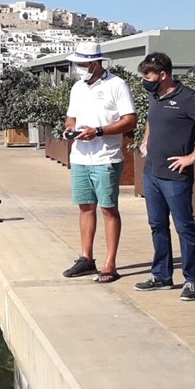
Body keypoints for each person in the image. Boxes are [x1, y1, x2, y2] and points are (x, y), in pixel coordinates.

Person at [135, 52, 195, 301]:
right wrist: (145, 139)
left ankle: (193, 280)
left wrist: (193, 157)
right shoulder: (154, 95)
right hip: (152, 173)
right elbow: (151, 119)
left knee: (184, 228)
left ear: (163, 75)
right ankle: (161, 275)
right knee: (157, 226)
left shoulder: (189, 98)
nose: (144, 81)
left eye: (147, 76)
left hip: (175, 177)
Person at [61, 40, 137, 284]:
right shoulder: (77, 88)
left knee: (108, 208)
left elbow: (130, 120)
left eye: (82, 64)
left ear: (94, 64)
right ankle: (86, 258)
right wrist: (69, 130)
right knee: (85, 206)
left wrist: (100, 131)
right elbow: (70, 118)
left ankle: (110, 264)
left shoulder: (117, 85)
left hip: (106, 157)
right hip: (80, 157)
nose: (78, 69)